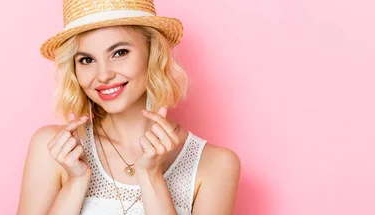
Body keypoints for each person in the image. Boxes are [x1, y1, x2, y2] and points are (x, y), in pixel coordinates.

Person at [17, 0, 241, 214]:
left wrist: (151, 177)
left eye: (119, 53)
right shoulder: (54, 150)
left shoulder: (215, 165)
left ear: (153, 53)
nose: (103, 75)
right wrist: (76, 182)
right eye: (86, 60)